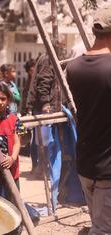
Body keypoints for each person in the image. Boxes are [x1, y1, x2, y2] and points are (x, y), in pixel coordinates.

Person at [66, 7, 111, 234]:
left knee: (98, 224)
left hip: (87, 164)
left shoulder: (73, 68)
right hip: (107, 169)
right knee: (103, 230)